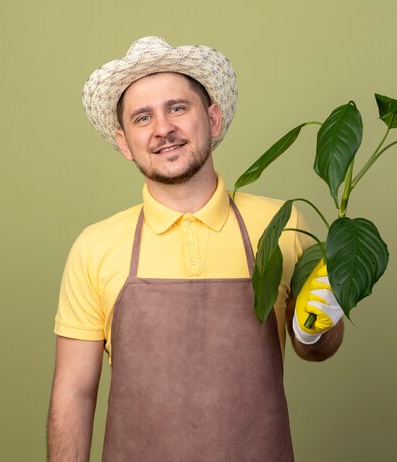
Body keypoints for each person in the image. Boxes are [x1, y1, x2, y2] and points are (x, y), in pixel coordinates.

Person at [47, 36, 344, 462]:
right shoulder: (95, 246)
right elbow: (73, 392)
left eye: (178, 108)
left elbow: (316, 349)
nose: (162, 129)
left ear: (214, 118)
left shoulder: (284, 224)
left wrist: (316, 326)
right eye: (143, 117)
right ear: (124, 142)